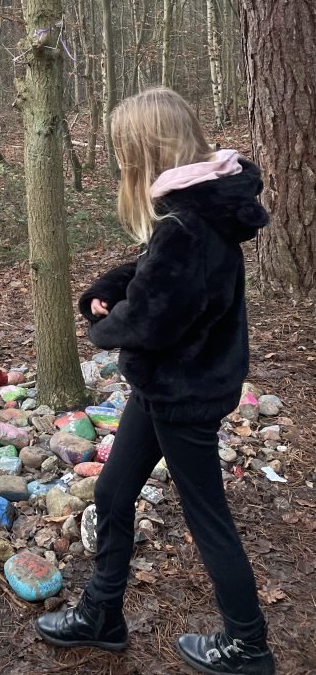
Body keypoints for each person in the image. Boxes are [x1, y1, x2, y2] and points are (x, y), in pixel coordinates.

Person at [35, 88, 275, 675]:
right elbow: (153, 274)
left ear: (146, 148)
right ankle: (102, 614)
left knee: (207, 518)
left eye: (124, 150)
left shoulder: (190, 223)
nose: (121, 163)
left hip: (183, 394)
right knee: (114, 492)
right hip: (168, 387)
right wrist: (108, 287)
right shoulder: (194, 208)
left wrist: (108, 324)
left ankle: (248, 647)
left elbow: (153, 317)